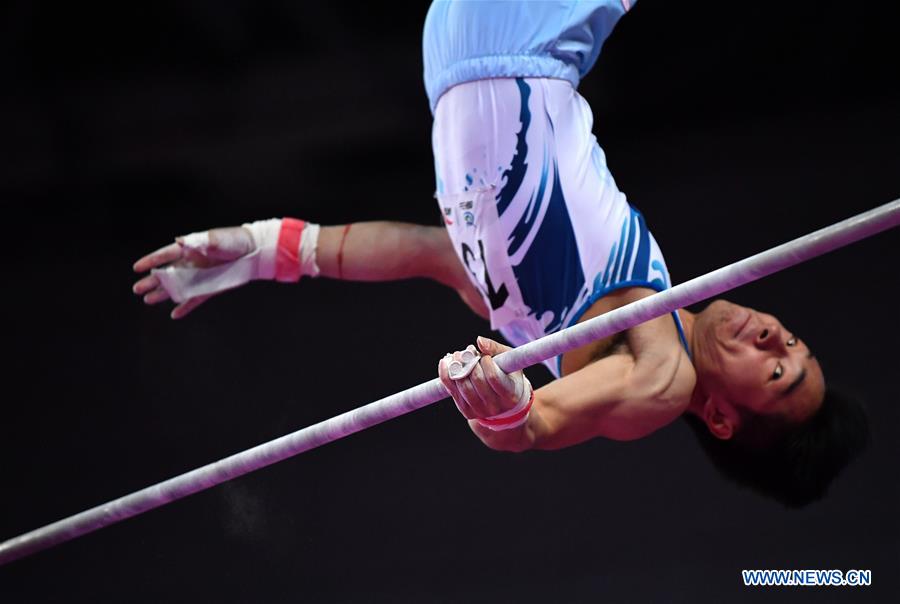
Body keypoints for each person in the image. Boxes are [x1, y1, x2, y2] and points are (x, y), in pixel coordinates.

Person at [133, 0, 868, 507]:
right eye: (795, 342)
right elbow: (432, 254)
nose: (776, 335)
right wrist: (270, 252)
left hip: (496, 44)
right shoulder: (578, 315)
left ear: (721, 418)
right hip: (509, 42)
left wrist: (512, 411)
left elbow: (541, 423)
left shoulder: (663, 377)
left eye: (775, 372)